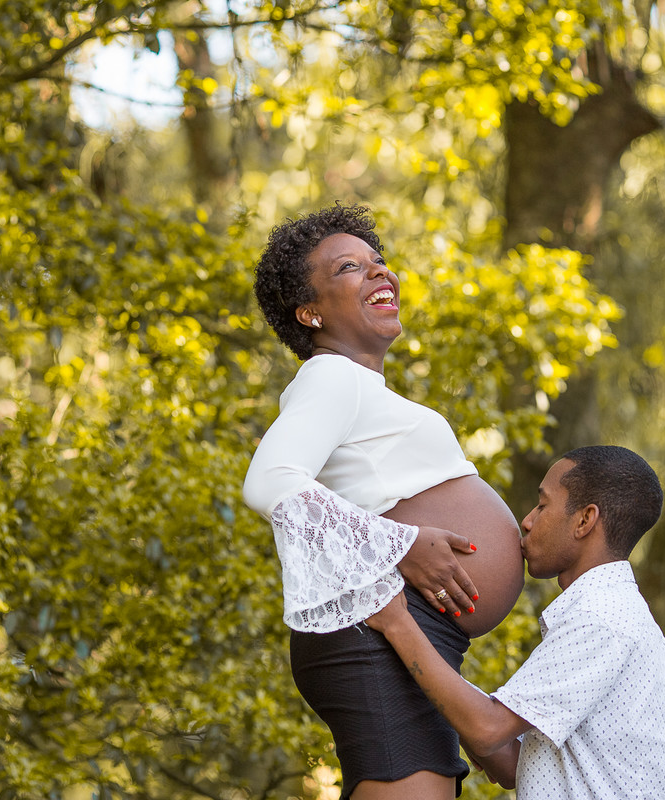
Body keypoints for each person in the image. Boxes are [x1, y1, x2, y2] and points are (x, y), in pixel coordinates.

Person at [242, 203, 525, 799]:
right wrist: (401, 545)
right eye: (350, 267)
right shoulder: (332, 376)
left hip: (408, 638)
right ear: (310, 312)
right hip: (380, 633)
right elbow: (269, 483)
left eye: (379, 262)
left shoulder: (360, 387)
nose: (380, 273)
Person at [365, 445, 665, 798]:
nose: (528, 520)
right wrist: (428, 664)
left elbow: (487, 730)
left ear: (585, 520)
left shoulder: (602, 617)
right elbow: (508, 762)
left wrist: (397, 622)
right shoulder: (609, 612)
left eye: (543, 504)